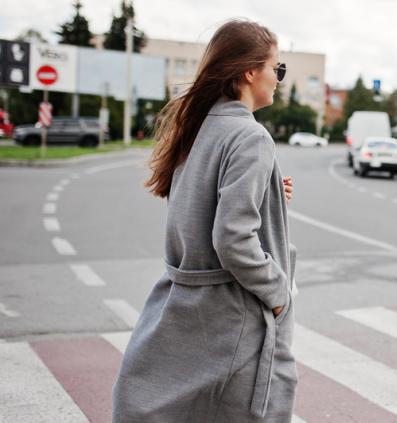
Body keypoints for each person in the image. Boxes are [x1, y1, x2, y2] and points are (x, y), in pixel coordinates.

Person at [112, 19, 298, 422]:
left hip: (189, 305)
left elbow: (197, 204)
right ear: (250, 72)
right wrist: (279, 292)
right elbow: (232, 238)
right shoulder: (250, 136)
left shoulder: (201, 127)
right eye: (276, 68)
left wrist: (268, 194)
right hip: (233, 312)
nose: (279, 79)